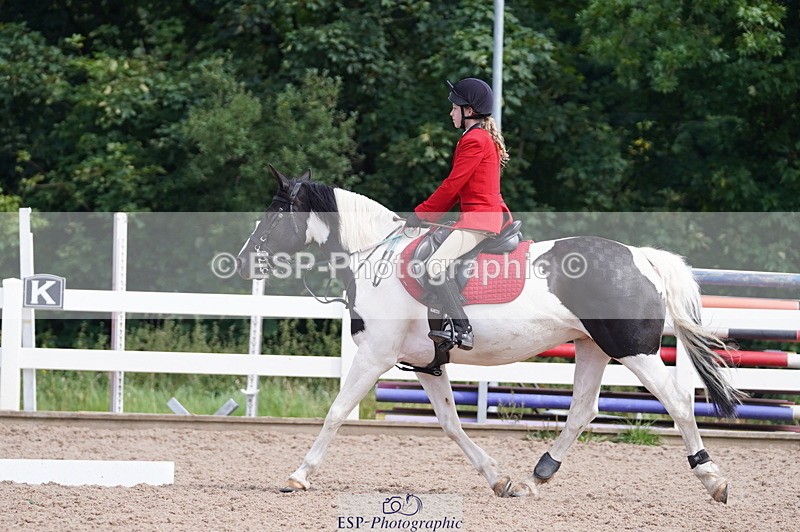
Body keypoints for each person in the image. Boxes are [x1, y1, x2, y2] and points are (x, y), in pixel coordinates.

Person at [405, 77, 512, 350]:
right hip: (476, 216)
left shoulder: (475, 139)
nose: (451, 112)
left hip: (480, 220)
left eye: (454, 108)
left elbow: (453, 186)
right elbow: (456, 190)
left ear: (469, 111)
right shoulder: (476, 136)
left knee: (436, 265)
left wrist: (421, 213)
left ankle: (462, 329)